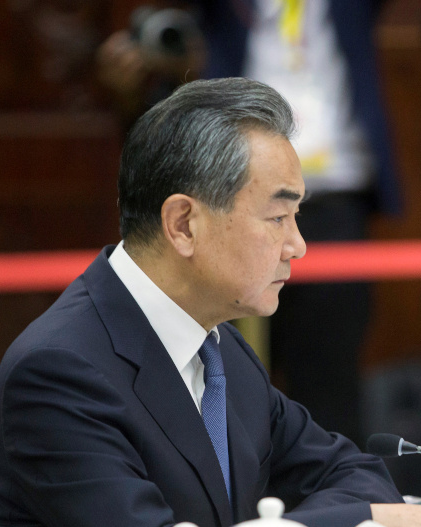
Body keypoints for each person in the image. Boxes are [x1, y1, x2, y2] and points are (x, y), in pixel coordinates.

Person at [0, 78, 421, 527]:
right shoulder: (58, 372)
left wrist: (358, 521)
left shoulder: (217, 347)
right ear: (183, 224)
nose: (297, 245)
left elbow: (352, 472)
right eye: (278, 218)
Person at [98, 0, 400, 446]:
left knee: (331, 378)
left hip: (338, 196)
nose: (291, 245)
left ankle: (336, 500)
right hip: (229, 198)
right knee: (217, 368)